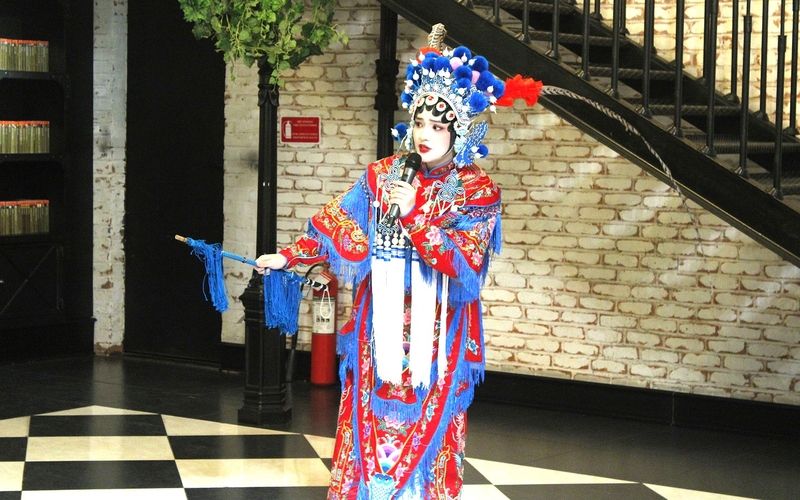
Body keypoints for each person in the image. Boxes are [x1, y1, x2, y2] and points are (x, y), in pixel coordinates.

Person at [256, 24, 540, 500]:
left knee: (432, 440)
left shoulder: (477, 191)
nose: (424, 134)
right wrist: (287, 256)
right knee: (366, 430)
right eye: (420, 122)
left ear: (461, 129)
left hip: (440, 337)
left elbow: (464, 263)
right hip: (377, 329)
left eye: (438, 125)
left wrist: (414, 216)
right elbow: (338, 224)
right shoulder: (384, 174)